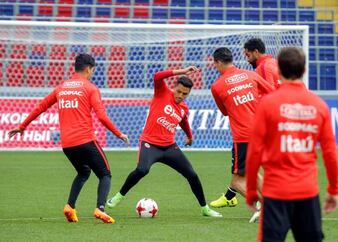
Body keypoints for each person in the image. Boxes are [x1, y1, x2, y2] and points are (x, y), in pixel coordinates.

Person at [8, 54, 129, 224]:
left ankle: (70, 207)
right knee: (105, 174)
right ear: (88, 68)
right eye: (92, 69)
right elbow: (101, 116)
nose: (93, 72)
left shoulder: (61, 88)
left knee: (84, 172)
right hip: (86, 140)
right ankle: (100, 209)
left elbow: (41, 106)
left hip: (67, 145)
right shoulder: (90, 88)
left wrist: (22, 126)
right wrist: (118, 133)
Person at [245, 47, 338, 242]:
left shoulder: (268, 103)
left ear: (278, 71)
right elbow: (330, 153)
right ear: (304, 71)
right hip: (307, 191)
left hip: (275, 192)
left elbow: (254, 152)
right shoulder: (319, 105)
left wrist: (253, 190)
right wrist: (333, 190)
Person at [107, 66, 222, 217]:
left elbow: (183, 121)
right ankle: (118, 196)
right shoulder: (162, 92)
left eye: (185, 94)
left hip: (169, 147)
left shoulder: (183, 108)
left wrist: (190, 136)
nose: (180, 95)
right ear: (174, 87)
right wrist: (182, 71)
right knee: (142, 170)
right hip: (150, 144)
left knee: (192, 175)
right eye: (179, 91)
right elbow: (157, 76)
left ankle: (204, 208)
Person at [209, 47, 274, 223]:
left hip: (243, 136)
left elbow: (224, 112)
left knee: (237, 181)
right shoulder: (250, 75)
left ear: (218, 62)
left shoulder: (217, 86)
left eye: (214, 63)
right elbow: (272, 93)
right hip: (262, 132)